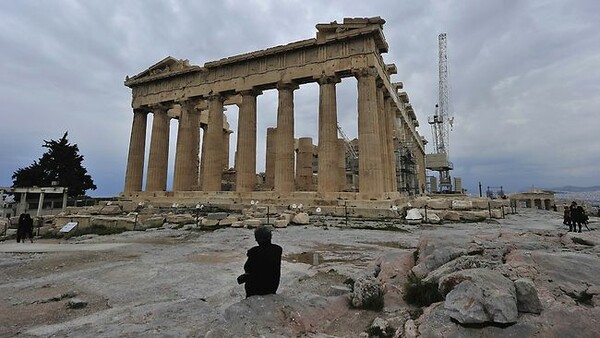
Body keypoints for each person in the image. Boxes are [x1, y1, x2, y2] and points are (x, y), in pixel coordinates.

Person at [237, 226, 282, 298]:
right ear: (270, 237)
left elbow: (249, 268)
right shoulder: (278, 249)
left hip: (257, 289)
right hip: (272, 287)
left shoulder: (254, 252)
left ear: (258, 239)